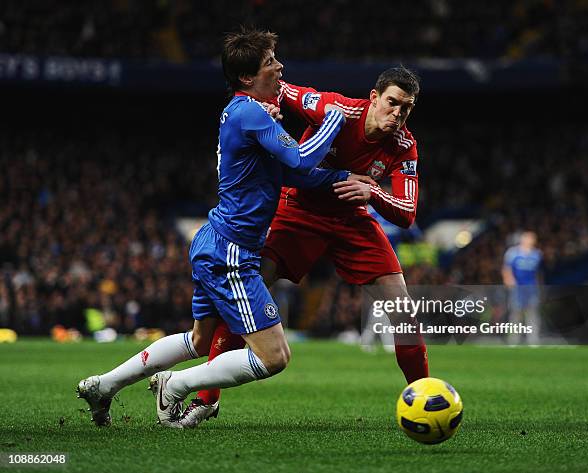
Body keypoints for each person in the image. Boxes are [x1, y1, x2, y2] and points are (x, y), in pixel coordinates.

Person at [76, 27, 371, 427]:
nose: (280, 67)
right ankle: (175, 386)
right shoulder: (250, 113)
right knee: (274, 357)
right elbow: (301, 160)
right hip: (232, 252)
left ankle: (104, 385)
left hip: (216, 243)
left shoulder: (248, 112)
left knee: (199, 340)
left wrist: (340, 180)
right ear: (247, 77)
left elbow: (291, 174)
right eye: (270, 62)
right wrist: (334, 120)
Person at [181, 66, 430, 428]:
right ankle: (207, 399)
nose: (398, 114)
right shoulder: (336, 109)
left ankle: (424, 399)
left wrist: (372, 192)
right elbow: (281, 88)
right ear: (374, 98)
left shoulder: (404, 145)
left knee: (403, 311)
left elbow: (408, 213)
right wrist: (266, 109)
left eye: (406, 108)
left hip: (351, 220)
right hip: (299, 209)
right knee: (249, 289)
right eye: (392, 103)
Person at [502, 231, 543, 344]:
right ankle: (513, 340)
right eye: (528, 238)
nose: (530, 241)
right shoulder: (512, 253)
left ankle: (533, 340)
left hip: (531, 288)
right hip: (517, 287)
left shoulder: (537, 254)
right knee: (516, 314)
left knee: (532, 314)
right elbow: (506, 269)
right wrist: (509, 281)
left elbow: (538, 273)